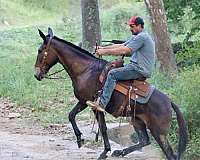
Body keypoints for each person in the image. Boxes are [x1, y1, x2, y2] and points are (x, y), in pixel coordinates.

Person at [86, 16, 155, 112]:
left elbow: (125, 50)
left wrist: (104, 52)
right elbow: (121, 45)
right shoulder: (137, 36)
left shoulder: (142, 37)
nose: (131, 28)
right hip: (135, 66)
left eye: (132, 26)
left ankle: (102, 104)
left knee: (112, 74)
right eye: (130, 26)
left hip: (139, 69)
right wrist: (103, 48)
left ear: (139, 26)